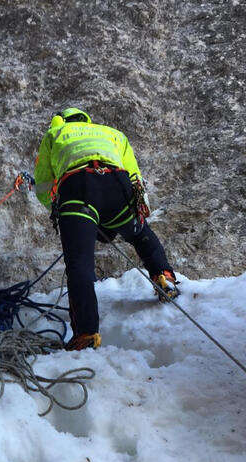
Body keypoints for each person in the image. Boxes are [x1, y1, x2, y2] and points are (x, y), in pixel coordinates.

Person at [33, 108, 179, 351]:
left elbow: (44, 184)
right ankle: (163, 276)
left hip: (77, 188)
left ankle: (87, 334)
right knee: (140, 233)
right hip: (115, 183)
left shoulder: (55, 133)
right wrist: (138, 207)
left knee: (79, 263)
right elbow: (134, 175)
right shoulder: (112, 133)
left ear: (62, 120)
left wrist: (60, 209)